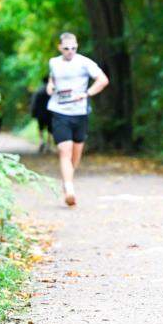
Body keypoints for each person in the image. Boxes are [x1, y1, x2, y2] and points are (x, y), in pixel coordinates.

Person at [47, 32, 109, 206]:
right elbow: (52, 78)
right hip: (59, 111)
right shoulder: (54, 62)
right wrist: (50, 86)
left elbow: (103, 80)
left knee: (75, 153)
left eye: (73, 48)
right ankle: (69, 188)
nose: (70, 51)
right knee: (64, 150)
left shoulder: (84, 63)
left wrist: (86, 94)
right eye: (66, 48)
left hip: (80, 113)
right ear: (60, 47)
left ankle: (67, 181)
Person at [30, 78, 53, 152]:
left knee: (40, 128)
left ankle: (41, 141)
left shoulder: (38, 91)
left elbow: (34, 103)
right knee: (50, 129)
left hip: (40, 114)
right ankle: (49, 144)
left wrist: (33, 113)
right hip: (50, 113)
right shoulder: (52, 91)